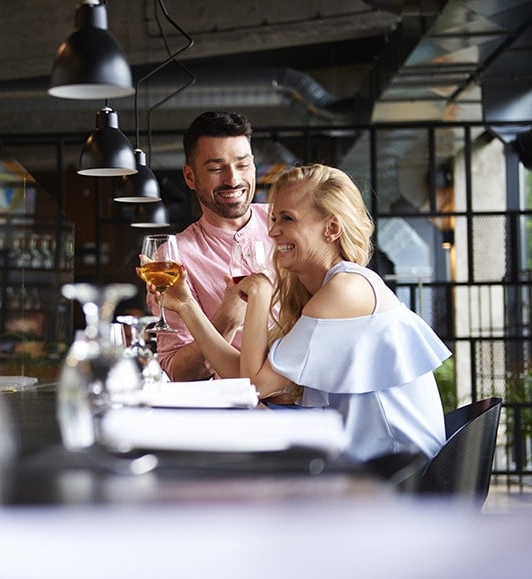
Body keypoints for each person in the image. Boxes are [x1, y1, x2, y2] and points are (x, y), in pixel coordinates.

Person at [159, 163, 449, 461]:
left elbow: (253, 387)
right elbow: (249, 377)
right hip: (370, 461)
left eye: (287, 219)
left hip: (399, 474)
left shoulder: (346, 289)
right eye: (273, 218)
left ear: (332, 228)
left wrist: (260, 295)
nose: (272, 231)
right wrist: (187, 306)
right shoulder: (325, 288)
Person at [146, 111, 273, 381]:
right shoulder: (174, 257)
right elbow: (178, 373)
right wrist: (226, 319)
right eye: (216, 168)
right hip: (232, 411)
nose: (233, 179)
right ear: (190, 177)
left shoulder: (285, 222)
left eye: (243, 164)